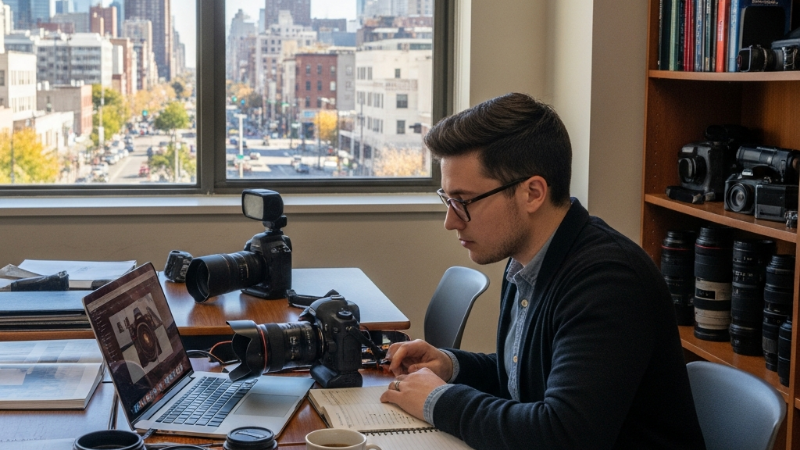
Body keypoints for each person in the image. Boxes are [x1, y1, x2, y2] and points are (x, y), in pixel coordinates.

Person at [379, 93, 706, 449]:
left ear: (532, 193)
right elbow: (525, 376)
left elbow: (562, 435)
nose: (450, 221)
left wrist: (438, 400)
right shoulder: (524, 259)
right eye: (448, 200)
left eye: (464, 201)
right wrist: (449, 365)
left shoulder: (608, 281)